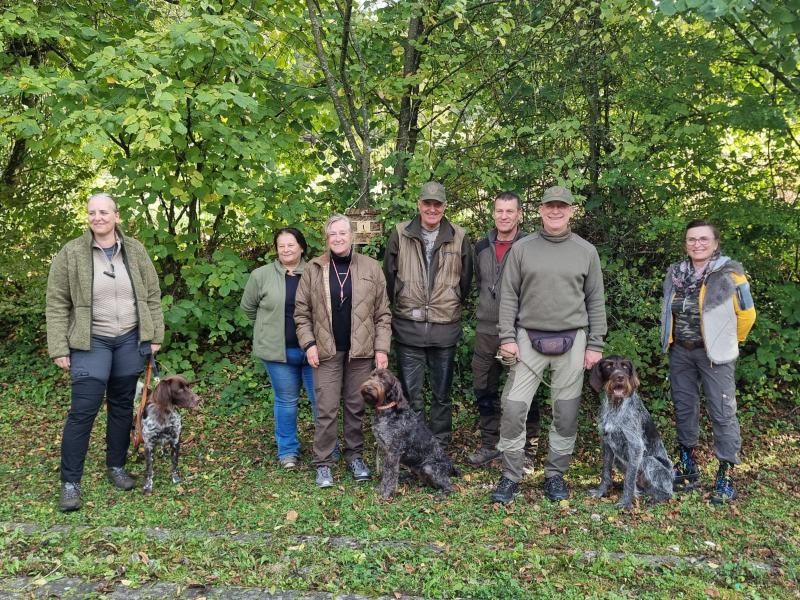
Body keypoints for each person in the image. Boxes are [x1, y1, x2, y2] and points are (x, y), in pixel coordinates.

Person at [46, 193, 164, 512]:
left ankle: (116, 466)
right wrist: (59, 346)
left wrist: (154, 335)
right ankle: (70, 483)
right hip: (90, 341)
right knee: (83, 410)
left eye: (103, 212)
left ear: (116, 215)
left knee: (122, 407)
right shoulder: (71, 253)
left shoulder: (135, 250)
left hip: (128, 339)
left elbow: (152, 295)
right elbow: (57, 302)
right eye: (92, 213)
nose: (97, 217)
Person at [490, 185, 607, 504]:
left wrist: (595, 343)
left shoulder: (586, 251)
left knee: (566, 413)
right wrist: (507, 338)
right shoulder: (523, 248)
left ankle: (555, 475)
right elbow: (509, 295)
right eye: (549, 206)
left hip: (574, 340)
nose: (555, 211)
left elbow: (595, 298)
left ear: (571, 211)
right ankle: (511, 475)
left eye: (562, 207)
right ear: (540, 210)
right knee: (513, 408)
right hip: (528, 337)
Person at [660, 219, 756, 503]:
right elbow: (668, 310)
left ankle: (725, 474)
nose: (697, 244)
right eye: (691, 239)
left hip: (716, 355)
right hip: (681, 352)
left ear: (715, 243)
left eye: (703, 239)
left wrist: (728, 341)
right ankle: (688, 464)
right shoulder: (675, 274)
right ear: (685, 244)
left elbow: (748, 315)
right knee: (684, 407)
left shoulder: (730, 275)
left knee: (722, 412)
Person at [294, 214, 391, 488]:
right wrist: (309, 344)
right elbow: (301, 313)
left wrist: (381, 348)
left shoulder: (372, 268)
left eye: (343, 233)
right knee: (326, 409)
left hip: (360, 352)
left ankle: (354, 456)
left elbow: (383, 314)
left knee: (356, 406)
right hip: (325, 351)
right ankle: (323, 463)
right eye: (332, 234)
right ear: (327, 238)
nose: (338, 238)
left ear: (352, 236)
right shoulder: (314, 268)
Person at [383, 181, 473, 449]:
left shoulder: (459, 235)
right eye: (427, 203)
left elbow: (466, 281)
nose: (432, 209)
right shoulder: (400, 233)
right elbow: (389, 276)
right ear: (419, 204)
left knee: (442, 394)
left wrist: (451, 299)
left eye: (437, 204)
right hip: (408, 328)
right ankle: (414, 446)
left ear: (444, 207)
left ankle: (439, 447)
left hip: (445, 328)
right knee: (410, 395)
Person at [468, 191, 540, 467]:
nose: (504, 216)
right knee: (484, 387)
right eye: (499, 211)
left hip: (521, 330)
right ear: (493, 213)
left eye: (510, 211)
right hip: (486, 329)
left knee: (524, 392)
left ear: (519, 214)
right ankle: (490, 445)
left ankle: (527, 449)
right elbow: (479, 283)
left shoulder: (530, 246)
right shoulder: (480, 247)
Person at [240, 227, 317, 470]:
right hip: (278, 353)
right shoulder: (260, 275)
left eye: (291, 245)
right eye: (281, 245)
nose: (286, 249)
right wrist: (269, 327)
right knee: (286, 401)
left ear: (301, 247)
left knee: (321, 402)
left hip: (315, 351)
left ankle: (326, 447)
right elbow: (248, 308)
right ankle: (288, 451)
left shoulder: (317, 272)